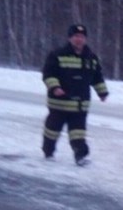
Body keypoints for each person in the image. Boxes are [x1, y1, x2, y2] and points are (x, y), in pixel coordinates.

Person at [40, 23, 109, 165]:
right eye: (76, 36)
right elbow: (48, 74)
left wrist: (102, 92)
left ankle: (80, 156)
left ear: (86, 39)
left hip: (80, 105)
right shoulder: (57, 55)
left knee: (78, 133)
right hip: (59, 104)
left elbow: (96, 77)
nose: (79, 39)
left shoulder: (91, 58)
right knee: (52, 130)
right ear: (70, 38)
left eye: (82, 37)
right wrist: (55, 88)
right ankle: (48, 151)